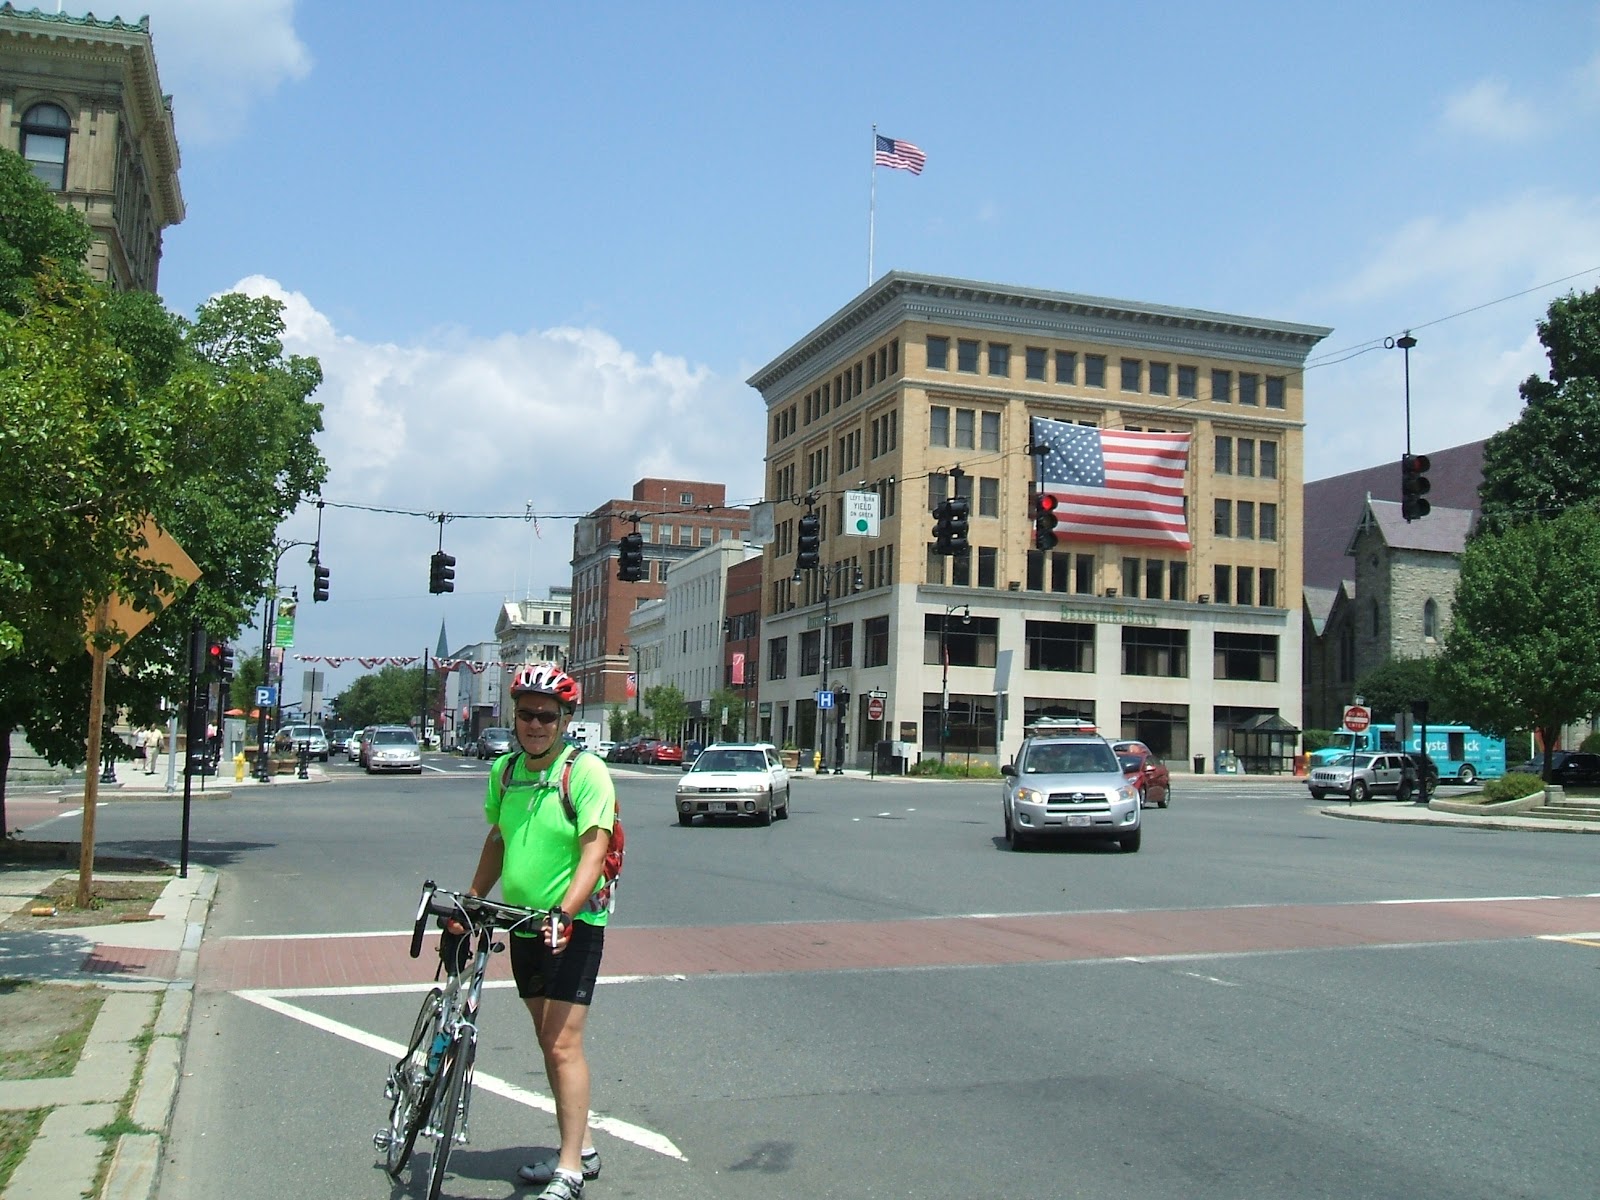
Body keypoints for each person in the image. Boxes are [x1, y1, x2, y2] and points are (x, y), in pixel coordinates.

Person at [458, 662, 616, 1200]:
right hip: (523, 925)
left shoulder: (586, 771)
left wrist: (566, 913)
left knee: (563, 1043)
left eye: (547, 716)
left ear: (566, 718)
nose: (535, 724)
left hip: (573, 925)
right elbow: (498, 841)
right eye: (526, 714)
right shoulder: (503, 772)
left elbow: (594, 850)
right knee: (547, 1041)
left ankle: (569, 1169)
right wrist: (473, 900)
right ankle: (583, 1147)